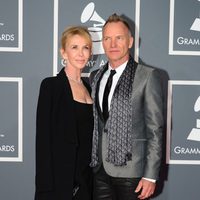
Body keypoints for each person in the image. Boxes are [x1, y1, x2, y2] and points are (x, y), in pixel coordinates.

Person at [90, 13, 164, 200]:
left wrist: (150, 176)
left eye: (119, 38)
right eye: (107, 38)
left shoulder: (148, 76)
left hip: (133, 174)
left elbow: (155, 130)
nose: (113, 44)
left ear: (130, 41)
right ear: (103, 43)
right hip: (100, 173)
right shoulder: (95, 77)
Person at [35, 26, 93, 200]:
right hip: (60, 181)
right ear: (64, 53)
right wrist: (45, 187)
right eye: (74, 47)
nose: (81, 53)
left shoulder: (89, 87)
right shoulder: (51, 86)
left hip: (86, 179)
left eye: (85, 47)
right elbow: (43, 140)